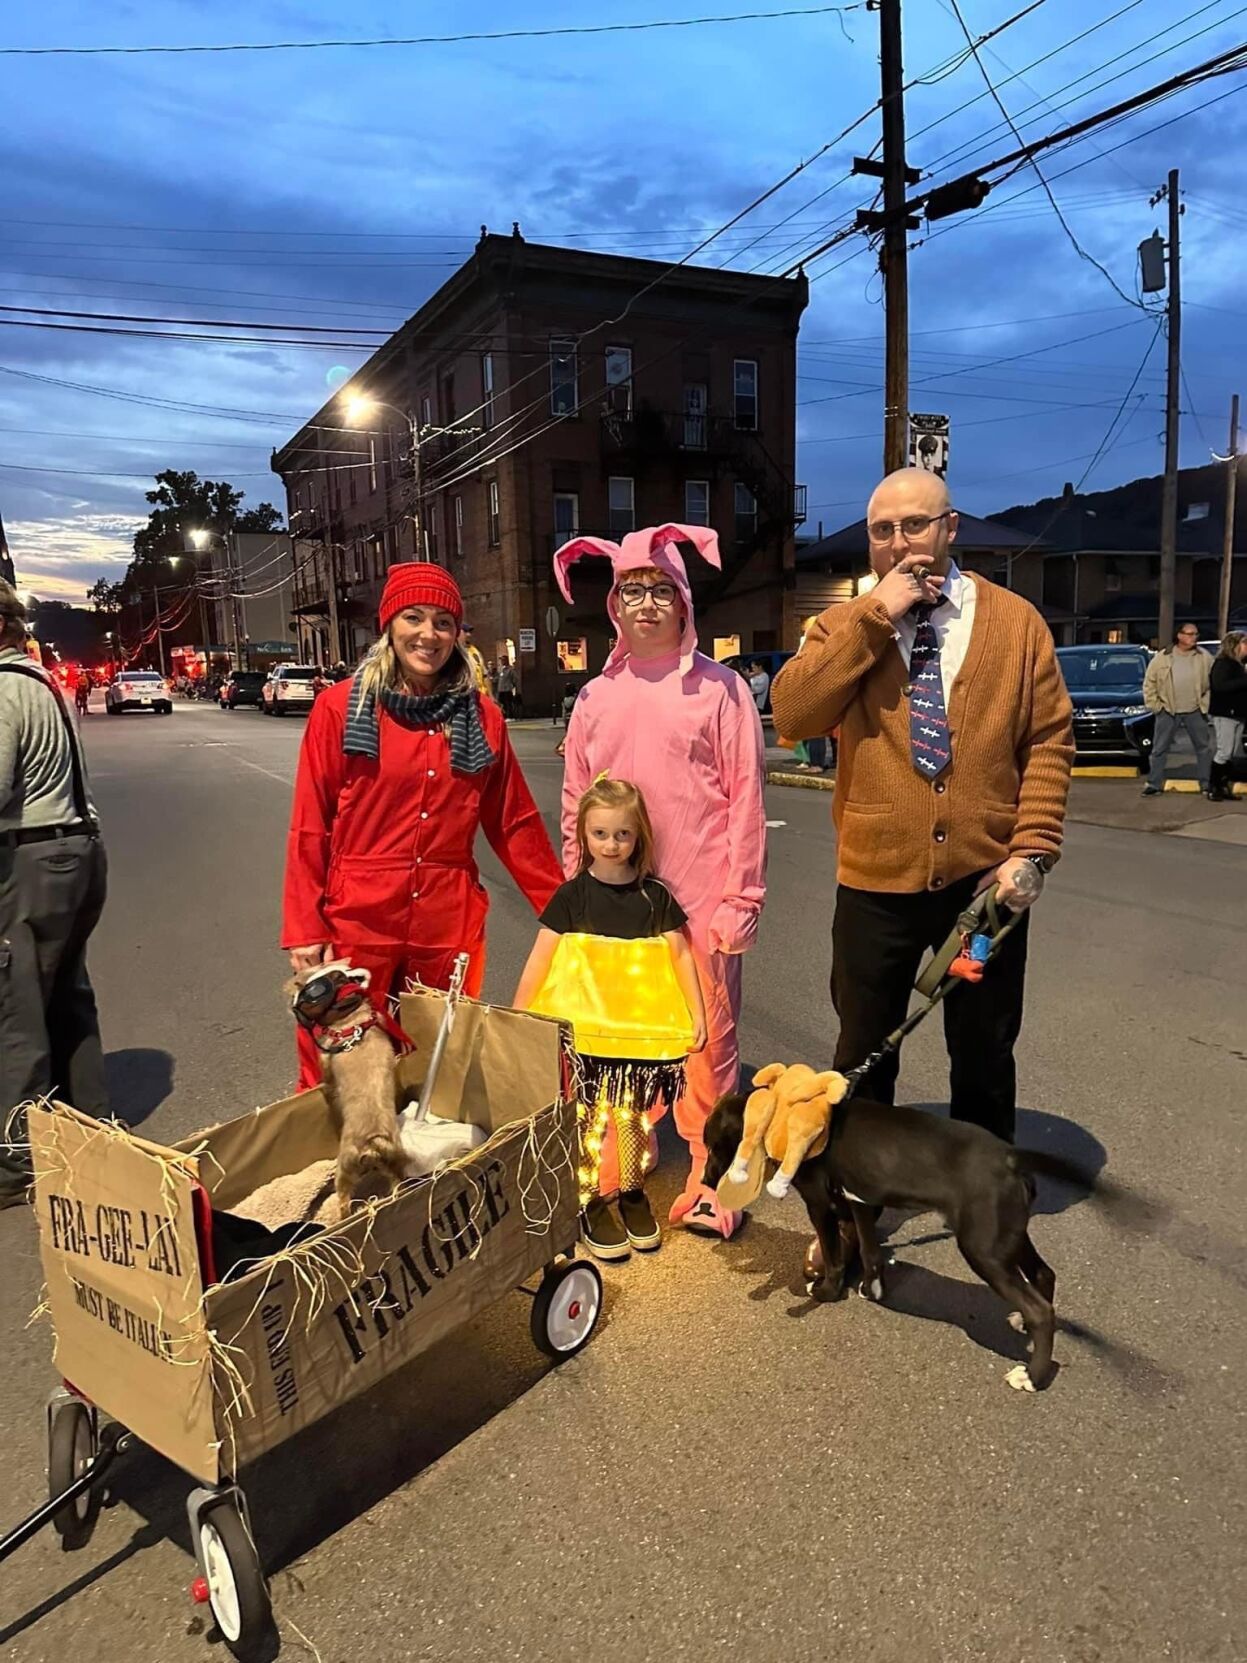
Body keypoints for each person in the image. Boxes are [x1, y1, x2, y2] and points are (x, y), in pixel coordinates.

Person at [772, 468, 1073, 1150]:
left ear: (950, 527)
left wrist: (1031, 850)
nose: (898, 541)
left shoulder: (1015, 623)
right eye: (882, 530)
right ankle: (855, 1207)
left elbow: (1049, 740)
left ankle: (989, 1190)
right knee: (861, 1050)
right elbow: (793, 713)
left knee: (984, 1046)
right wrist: (873, 615)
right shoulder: (843, 623)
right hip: (873, 885)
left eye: (914, 524)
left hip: (983, 886)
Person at [555, 523, 766, 1239]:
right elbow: (574, 801)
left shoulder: (720, 690)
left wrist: (741, 900)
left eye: (659, 589)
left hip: (701, 902)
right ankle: (616, 1166)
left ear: (682, 600)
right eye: (630, 590)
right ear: (614, 604)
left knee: (707, 1045)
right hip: (614, 910)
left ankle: (714, 1174)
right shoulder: (594, 698)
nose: (645, 604)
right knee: (615, 1040)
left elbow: (745, 799)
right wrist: (575, 897)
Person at [283, 563, 562, 1089]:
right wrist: (305, 927)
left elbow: (514, 821)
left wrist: (568, 912)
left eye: (443, 622)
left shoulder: (482, 718)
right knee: (341, 1071)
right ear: (389, 624)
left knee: (438, 1069)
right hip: (356, 922)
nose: (428, 635)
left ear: (458, 635)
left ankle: (425, 1173)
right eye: (414, 617)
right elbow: (309, 825)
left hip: (445, 919)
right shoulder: (340, 709)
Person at [515, 776, 707, 1260]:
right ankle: (588, 1198)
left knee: (633, 1116)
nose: (612, 844)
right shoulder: (571, 897)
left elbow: (682, 957)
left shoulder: (655, 898)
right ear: (583, 836)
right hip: (585, 1034)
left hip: (638, 1037)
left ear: (638, 835)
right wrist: (519, 1014)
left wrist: (696, 1012)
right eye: (600, 834)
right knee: (587, 1117)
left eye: (622, 834)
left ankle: (632, 1189)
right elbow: (541, 958)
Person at [0, 581, 108, 1208]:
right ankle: (91, 1129)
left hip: (33, 856)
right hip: (79, 851)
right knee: (67, 994)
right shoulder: (41, 682)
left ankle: (14, 1166)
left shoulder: (3, 689)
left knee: (17, 1011)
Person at [1142, 623, 1214, 797]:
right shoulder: (1162, 657)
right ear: (1179, 636)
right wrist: (1156, 706)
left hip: (1196, 710)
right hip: (1167, 710)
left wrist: (1205, 702)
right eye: (1190, 634)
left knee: (1203, 748)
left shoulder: (1204, 657)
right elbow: (1149, 683)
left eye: (1196, 634)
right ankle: (1154, 784)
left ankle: (1206, 783)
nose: (1193, 637)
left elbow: (1213, 682)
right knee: (1159, 749)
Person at [1208, 630, 1247, 801]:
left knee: (1231, 752)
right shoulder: (1223, 664)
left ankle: (1224, 786)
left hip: (1239, 713)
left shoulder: (1239, 664)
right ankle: (1214, 787)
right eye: (1245, 643)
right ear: (1235, 645)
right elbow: (1220, 685)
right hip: (1225, 713)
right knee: (1224, 751)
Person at [460, 624, 488, 695]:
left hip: (481, 695)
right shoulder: (453, 651)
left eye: (470, 632)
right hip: (465, 694)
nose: (469, 635)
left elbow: (484, 675)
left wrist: (491, 696)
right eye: (465, 631)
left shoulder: (475, 651)